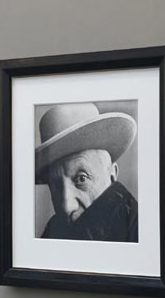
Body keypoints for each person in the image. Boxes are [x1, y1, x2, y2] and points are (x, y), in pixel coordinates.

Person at [35, 102, 139, 242]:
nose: (67, 207)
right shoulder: (53, 231)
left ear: (112, 174)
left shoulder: (142, 231)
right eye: (56, 186)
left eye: (81, 179)